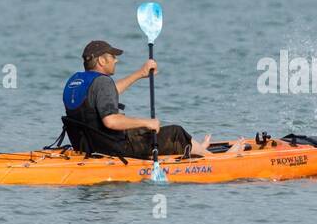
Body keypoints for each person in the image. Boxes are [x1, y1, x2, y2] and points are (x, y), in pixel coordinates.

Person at [63, 39, 209, 159]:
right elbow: (111, 121)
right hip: (114, 149)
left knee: (140, 130)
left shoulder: (75, 82)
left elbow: (107, 93)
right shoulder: (102, 82)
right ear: (102, 60)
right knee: (175, 133)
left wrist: (140, 73)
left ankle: (198, 149)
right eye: (113, 57)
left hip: (89, 146)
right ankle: (210, 157)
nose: (116, 60)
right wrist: (147, 122)